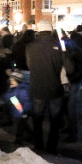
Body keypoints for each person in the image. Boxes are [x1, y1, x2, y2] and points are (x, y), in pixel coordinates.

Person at [25, 19, 64, 154]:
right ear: (51, 30)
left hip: (37, 88)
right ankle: (52, 148)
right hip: (55, 88)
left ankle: (39, 146)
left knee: (37, 120)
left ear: (39, 30)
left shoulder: (30, 47)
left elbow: (29, 65)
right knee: (55, 121)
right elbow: (65, 67)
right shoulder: (58, 46)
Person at [61, 33, 82, 143]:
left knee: (71, 108)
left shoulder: (74, 52)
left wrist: (71, 79)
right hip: (72, 81)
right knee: (68, 107)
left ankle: (73, 134)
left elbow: (80, 69)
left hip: (73, 82)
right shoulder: (74, 51)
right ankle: (69, 129)